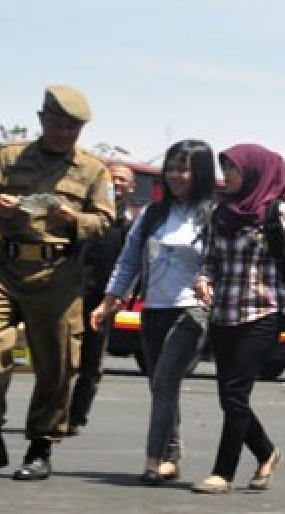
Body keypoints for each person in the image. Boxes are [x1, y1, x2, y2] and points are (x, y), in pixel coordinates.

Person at [0, 85, 115, 480]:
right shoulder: (9, 157)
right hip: (7, 268)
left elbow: (105, 222)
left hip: (58, 274)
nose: (65, 134)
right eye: (58, 124)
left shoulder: (93, 170)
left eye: (73, 127)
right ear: (42, 120)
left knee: (57, 362)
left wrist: (75, 220)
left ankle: (41, 446)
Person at [192, 144, 285, 493]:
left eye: (233, 170)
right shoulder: (221, 212)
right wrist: (204, 280)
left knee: (235, 393)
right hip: (224, 314)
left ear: (254, 172)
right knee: (229, 396)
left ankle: (223, 472)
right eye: (225, 170)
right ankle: (267, 453)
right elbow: (210, 259)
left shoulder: (275, 212)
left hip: (263, 313)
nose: (227, 178)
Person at [90, 140, 216, 485]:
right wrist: (109, 299)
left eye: (184, 168)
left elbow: (224, 262)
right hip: (153, 310)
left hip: (191, 312)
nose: (176, 175)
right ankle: (171, 457)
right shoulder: (152, 214)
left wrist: (211, 282)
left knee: (164, 380)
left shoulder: (213, 216)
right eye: (172, 167)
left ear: (201, 172)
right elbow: (129, 259)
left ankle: (154, 458)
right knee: (161, 386)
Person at [66, 161, 135, 434]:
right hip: (70, 293)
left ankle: (76, 417)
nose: (117, 183)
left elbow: (132, 263)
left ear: (131, 187)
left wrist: (120, 295)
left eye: (123, 180)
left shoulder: (132, 222)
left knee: (91, 361)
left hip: (103, 299)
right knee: (61, 358)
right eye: (113, 178)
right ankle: (52, 414)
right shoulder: (79, 214)